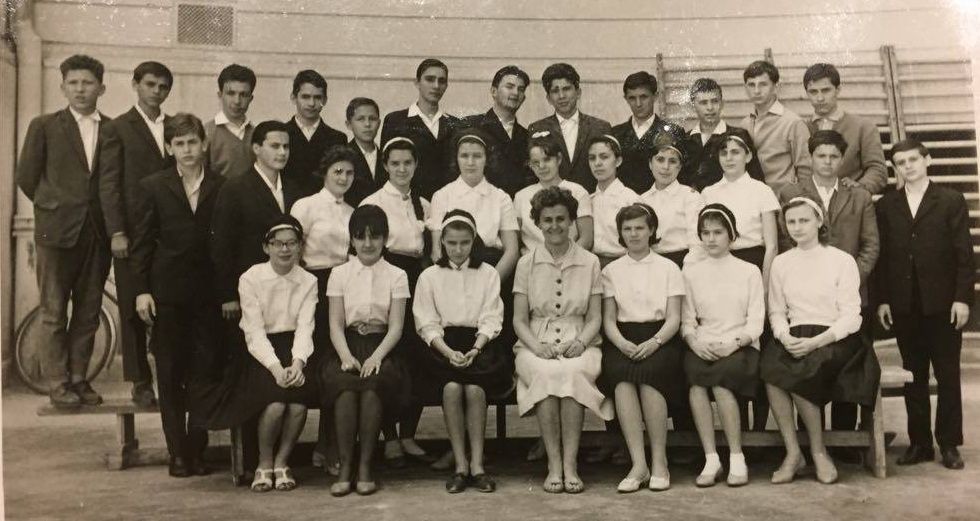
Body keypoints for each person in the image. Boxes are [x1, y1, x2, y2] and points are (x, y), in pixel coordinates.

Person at [129, 113, 224, 478]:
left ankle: (197, 449)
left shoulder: (221, 186)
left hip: (209, 296)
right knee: (169, 373)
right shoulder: (153, 186)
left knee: (205, 371)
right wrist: (142, 291)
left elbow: (226, 244)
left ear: (204, 144)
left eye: (192, 142)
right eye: (179, 143)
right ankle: (177, 453)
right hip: (168, 295)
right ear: (169, 148)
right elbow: (141, 244)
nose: (187, 150)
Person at [16, 54, 111, 408]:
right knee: (54, 311)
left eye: (87, 83)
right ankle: (57, 383)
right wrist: (54, 206)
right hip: (55, 234)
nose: (80, 89)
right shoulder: (44, 126)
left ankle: (79, 378)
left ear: (101, 88)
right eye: (73, 83)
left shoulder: (112, 128)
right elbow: (27, 177)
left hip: (97, 233)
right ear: (63, 87)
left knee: (88, 312)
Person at [763, 196, 879, 484]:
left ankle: (818, 452)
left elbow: (851, 316)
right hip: (795, 335)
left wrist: (817, 342)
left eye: (804, 220)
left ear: (819, 221)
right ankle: (793, 453)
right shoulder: (781, 263)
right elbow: (776, 311)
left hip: (836, 338)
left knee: (802, 369)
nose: (797, 227)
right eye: (791, 222)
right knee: (771, 369)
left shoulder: (841, 260)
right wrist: (784, 336)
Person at [778, 130, 880, 459]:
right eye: (821, 155)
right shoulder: (792, 192)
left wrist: (844, 281)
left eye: (834, 156)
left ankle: (844, 443)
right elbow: (786, 241)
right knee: (804, 368)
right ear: (810, 158)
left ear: (842, 159)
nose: (827, 162)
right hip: (805, 301)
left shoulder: (858, 195)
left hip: (848, 297)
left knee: (844, 370)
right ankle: (811, 444)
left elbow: (870, 245)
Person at [876, 139, 975, 470]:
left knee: (947, 373)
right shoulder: (887, 205)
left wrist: (962, 298)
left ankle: (949, 443)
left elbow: (964, 254)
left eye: (913, 160)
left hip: (943, 303)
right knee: (913, 373)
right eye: (901, 162)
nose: (908, 166)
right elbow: (884, 258)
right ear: (895, 168)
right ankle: (919, 443)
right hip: (905, 303)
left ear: (927, 160)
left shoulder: (950, 200)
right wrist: (884, 299)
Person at [512, 186, 614, 494]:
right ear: (537, 223)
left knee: (572, 372)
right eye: (547, 220)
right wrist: (536, 346)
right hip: (536, 340)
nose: (554, 226)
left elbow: (594, 317)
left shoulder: (590, 262)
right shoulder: (526, 263)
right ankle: (553, 464)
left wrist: (580, 343)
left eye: (561, 219)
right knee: (545, 373)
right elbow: (519, 319)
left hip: (580, 338)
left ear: (571, 221)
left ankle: (570, 464)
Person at [413, 210, 510, 493]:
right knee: (452, 389)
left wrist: (476, 349)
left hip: (480, 345)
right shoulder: (429, 276)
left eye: (465, 242)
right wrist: (448, 352)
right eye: (452, 243)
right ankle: (460, 465)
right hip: (442, 347)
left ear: (474, 241)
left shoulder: (488, 273)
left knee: (476, 390)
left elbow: (492, 317)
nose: (458, 249)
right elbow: (426, 323)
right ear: (442, 242)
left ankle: (478, 465)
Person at [97, 60, 174, 407]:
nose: (156, 91)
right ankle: (140, 380)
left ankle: (170, 376)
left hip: (167, 231)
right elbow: (109, 183)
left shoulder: (174, 125)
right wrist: (116, 231)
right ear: (135, 85)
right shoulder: (117, 128)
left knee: (165, 304)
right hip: (132, 231)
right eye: (150, 84)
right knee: (132, 308)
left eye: (162, 86)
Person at [321, 205, 411, 496]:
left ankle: (365, 467)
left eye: (375, 236)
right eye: (360, 237)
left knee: (373, 385)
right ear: (351, 239)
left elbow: (396, 327)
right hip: (346, 345)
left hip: (382, 346)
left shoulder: (397, 275)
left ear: (385, 238)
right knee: (345, 386)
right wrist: (346, 356)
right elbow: (335, 325)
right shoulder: (339, 273)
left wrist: (376, 357)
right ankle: (345, 467)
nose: (368, 243)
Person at [224, 215, 319, 492]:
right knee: (276, 405)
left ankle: (282, 462)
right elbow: (254, 332)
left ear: (300, 246)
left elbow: (306, 327)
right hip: (260, 352)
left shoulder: (309, 280)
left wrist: (298, 364)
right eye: (278, 243)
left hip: (295, 348)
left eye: (291, 243)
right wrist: (276, 369)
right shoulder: (250, 278)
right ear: (266, 247)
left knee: (298, 405)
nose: (285, 250)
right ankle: (263, 463)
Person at [600, 203, 685, 492]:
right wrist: (621, 343)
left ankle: (660, 461)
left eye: (639, 228)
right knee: (622, 380)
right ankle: (639, 464)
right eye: (627, 229)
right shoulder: (611, 270)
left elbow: (674, 318)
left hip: (661, 338)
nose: (634, 234)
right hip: (623, 338)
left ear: (651, 230)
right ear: (620, 233)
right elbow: (608, 319)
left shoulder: (669, 268)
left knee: (650, 378)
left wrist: (655, 342)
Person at [361, 137, 434, 467]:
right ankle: (389, 437)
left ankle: (408, 435)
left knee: (417, 356)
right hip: (387, 275)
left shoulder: (423, 203)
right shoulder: (373, 203)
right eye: (395, 163)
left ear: (416, 165)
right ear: (385, 166)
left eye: (407, 163)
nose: (402, 169)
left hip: (418, 278)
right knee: (391, 356)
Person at [700, 129, 779, 432]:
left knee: (758, 344)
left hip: (756, 264)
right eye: (723, 152)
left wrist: (766, 285)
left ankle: (758, 430)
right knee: (730, 338)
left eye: (735, 152)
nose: (729, 158)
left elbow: (771, 244)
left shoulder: (761, 190)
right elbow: (706, 239)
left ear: (748, 156)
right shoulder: (709, 193)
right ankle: (739, 428)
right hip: (720, 266)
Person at [681, 204, 764, 487]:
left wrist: (734, 344)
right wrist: (693, 342)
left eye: (717, 232)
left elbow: (756, 322)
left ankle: (737, 457)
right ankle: (711, 458)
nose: (711, 239)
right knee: (696, 384)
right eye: (705, 233)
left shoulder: (749, 271)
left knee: (720, 382)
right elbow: (687, 320)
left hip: (740, 346)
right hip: (703, 344)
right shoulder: (691, 273)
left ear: (731, 235)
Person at [289, 145, 358, 473]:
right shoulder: (305, 205)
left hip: (341, 288)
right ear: (325, 173)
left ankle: (328, 445)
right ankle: (306, 446)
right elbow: (293, 249)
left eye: (349, 173)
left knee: (336, 367)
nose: (344, 178)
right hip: (311, 285)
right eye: (338, 172)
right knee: (315, 365)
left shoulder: (353, 211)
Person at [380, 58, 462, 200]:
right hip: (409, 202)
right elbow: (385, 169)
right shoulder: (396, 120)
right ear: (417, 83)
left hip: (448, 203)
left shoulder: (455, 124)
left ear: (446, 86)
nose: (436, 86)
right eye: (430, 79)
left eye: (442, 81)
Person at [803, 63, 887, 194]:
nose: (820, 98)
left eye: (826, 90)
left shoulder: (863, 127)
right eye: (813, 92)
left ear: (838, 90)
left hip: (850, 201)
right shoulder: (800, 128)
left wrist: (859, 187)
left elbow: (877, 169)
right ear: (807, 94)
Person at [528, 63, 613, 192]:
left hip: (592, 198)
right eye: (555, 91)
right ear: (548, 98)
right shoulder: (537, 128)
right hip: (553, 200)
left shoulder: (600, 127)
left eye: (566, 89)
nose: (561, 96)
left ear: (578, 92)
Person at [514, 132, 594, 254]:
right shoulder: (521, 197)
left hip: (571, 260)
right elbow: (515, 242)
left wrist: (566, 260)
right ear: (530, 164)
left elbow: (586, 239)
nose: (541, 166)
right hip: (534, 261)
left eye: (547, 159)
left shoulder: (578, 191)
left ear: (559, 159)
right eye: (535, 162)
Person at [460, 65, 533, 197]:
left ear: (524, 98)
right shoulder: (471, 126)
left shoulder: (527, 136)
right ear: (494, 91)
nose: (516, 93)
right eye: (509, 87)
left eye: (521, 89)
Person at [739, 60, 811, 193]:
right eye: (751, 85)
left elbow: (806, 170)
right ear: (745, 88)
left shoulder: (793, 122)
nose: (756, 91)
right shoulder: (744, 123)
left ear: (776, 86)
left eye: (763, 84)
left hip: (783, 199)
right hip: (751, 197)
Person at [681, 78, 764, 191]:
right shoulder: (685, 140)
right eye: (703, 103)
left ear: (722, 104)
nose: (710, 108)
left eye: (715, 101)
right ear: (693, 106)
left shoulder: (739, 136)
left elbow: (757, 180)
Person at [639, 133, 705, 268]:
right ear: (650, 164)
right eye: (660, 159)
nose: (665, 167)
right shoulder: (642, 200)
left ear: (679, 167)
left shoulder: (690, 197)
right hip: (651, 264)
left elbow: (697, 242)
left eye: (673, 161)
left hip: (683, 262)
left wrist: (689, 269)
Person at [611, 71, 682, 194]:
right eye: (632, 98)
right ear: (626, 99)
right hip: (624, 202)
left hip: (661, 200)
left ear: (655, 96)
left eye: (644, 97)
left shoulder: (673, 132)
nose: (638, 104)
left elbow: (681, 176)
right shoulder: (615, 133)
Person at [283, 69, 348, 195]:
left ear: (325, 100)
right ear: (293, 98)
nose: (311, 103)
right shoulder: (281, 134)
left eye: (318, 97)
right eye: (305, 97)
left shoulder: (337, 138)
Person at [588, 135, 640, 266]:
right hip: (592, 264)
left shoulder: (631, 199)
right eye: (592, 158)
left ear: (618, 161)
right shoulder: (588, 200)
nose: (597, 163)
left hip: (625, 264)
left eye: (604, 157)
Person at [205, 64, 257, 178]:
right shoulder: (206, 133)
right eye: (231, 93)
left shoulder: (257, 134)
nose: (237, 101)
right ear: (220, 95)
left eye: (243, 95)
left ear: (251, 98)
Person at [344, 97, 385, 206]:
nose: (367, 124)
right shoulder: (342, 157)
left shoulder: (387, 157)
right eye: (360, 119)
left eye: (372, 119)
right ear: (349, 124)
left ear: (379, 123)